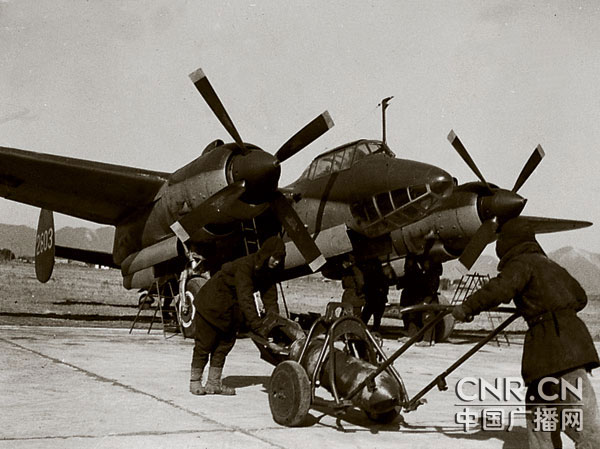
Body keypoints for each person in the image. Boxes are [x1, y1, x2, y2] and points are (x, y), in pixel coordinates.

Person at [452, 218, 600, 448]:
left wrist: (467, 307)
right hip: (570, 343)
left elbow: (499, 289)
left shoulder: (521, 263)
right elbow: (580, 297)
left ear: (508, 242)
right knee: (545, 408)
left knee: (573, 416)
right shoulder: (551, 265)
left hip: (552, 347)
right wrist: (555, 307)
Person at [188, 235, 286, 396]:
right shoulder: (245, 267)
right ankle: (195, 382)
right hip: (211, 304)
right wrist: (258, 326)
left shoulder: (268, 273)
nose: (276, 262)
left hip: (230, 309)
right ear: (266, 254)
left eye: (280, 259)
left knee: (224, 345)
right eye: (274, 257)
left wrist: (273, 325)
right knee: (205, 344)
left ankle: (213, 383)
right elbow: (246, 298)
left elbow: (270, 300)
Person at [360, 260, 389, 332]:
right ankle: (374, 332)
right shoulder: (383, 277)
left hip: (371, 300)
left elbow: (365, 288)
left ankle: (361, 331)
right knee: (377, 320)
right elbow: (386, 290)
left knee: (364, 319)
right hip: (380, 301)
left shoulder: (369, 276)